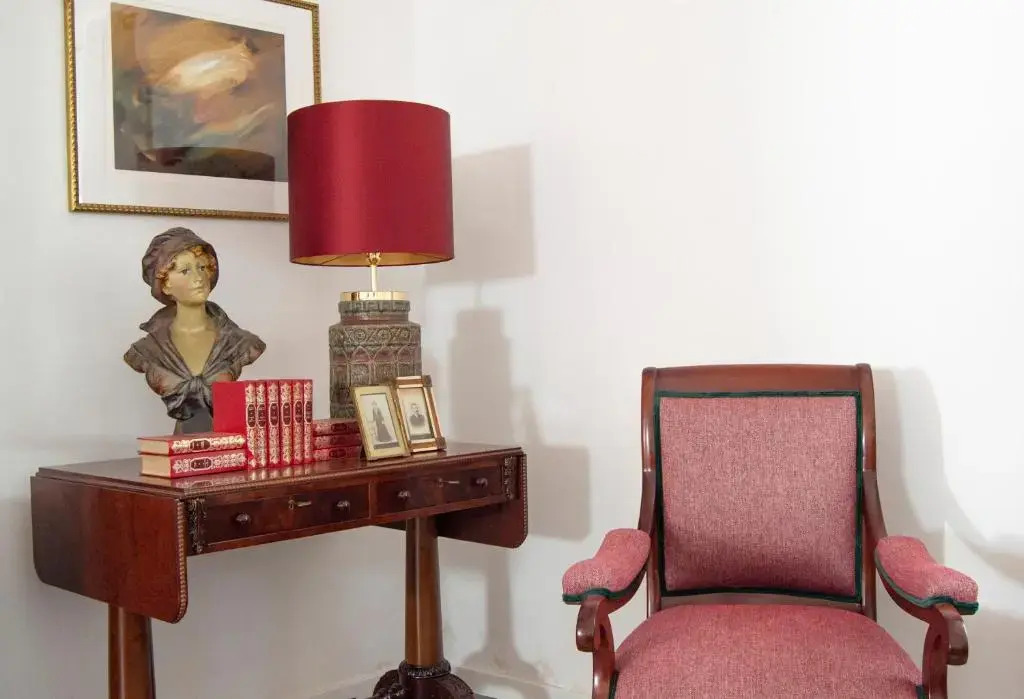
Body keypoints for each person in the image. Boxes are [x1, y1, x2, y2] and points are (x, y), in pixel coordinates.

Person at [124, 227, 265, 434]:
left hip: (224, 444)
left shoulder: (239, 342)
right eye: (185, 271)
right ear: (165, 284)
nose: (199, 278)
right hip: (178, 446)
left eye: (202, 267)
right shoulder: (148, 350)